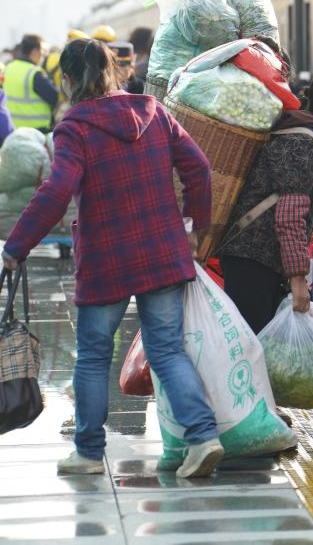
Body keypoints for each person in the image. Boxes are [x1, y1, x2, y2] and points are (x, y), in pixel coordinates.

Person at [0, 38, 223, 478]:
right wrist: (197, 227)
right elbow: (197, 167)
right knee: (167, 352)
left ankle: (87, 452)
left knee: (93, 357)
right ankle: (203, 438)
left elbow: (57, 189)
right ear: (114, 71)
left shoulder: (75, 127)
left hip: (106, 259)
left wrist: (16, 246)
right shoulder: (154, 112)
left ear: (67, 80)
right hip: (162, 251)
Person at [219, 70, 313, 335]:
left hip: (260, 258)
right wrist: (298, 279)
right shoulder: (302, 141)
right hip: (252, 258)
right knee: (253, 346)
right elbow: (290, 215)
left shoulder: (311, 137)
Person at [2, 34, 59, 132]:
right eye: (42, 50)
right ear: (35, 51)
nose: (43, 54)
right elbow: (55, 98)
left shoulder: (7, 69)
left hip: (12, 130)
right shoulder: (34, 73)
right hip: (36, 132)